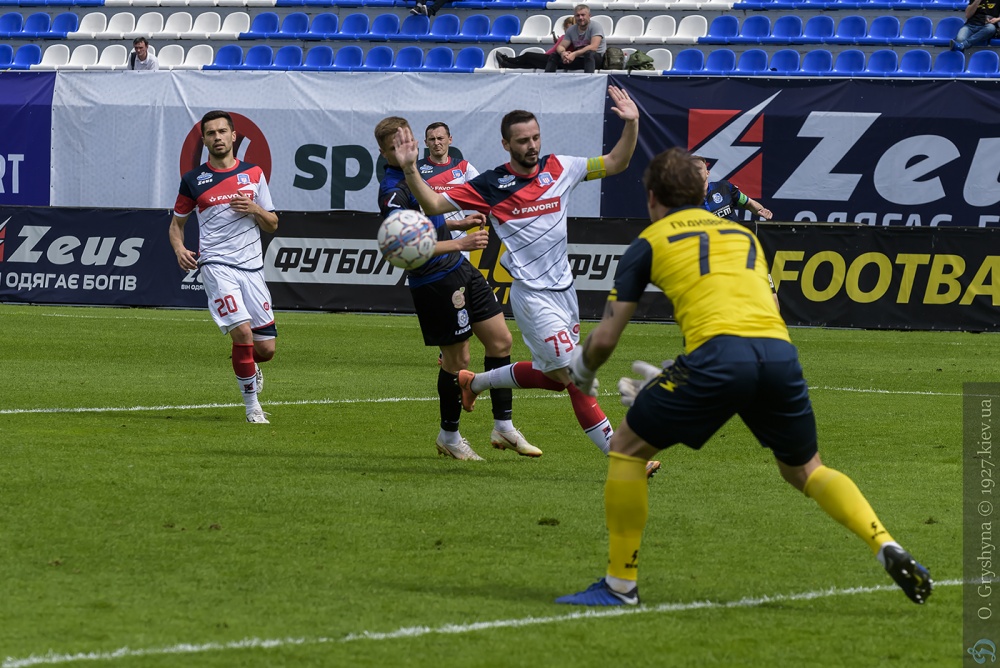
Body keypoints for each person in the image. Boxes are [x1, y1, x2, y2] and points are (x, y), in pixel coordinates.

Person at [554, 147, 933, 607]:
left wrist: (583, 372)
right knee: (806, 469)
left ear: (652, 197)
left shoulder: (648, 242)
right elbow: (764, 307)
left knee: (626, 449)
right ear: (702, 193)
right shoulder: (741, 236)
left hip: (717, 358)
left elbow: (605, 338)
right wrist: (686, 372)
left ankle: (620, 586)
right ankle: (884, 542)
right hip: (778, 355)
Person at [390, 86, 660, 478]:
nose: (532, 146)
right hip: (532, 297)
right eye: (522, 141)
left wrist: (632, 123)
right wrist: (410, 168)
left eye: (535, 137)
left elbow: (617, 162)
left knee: (555, 379)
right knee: (576, 377)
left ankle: (474, 382)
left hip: (565, 293)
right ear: (506, 144)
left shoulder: (561, 167)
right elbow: (432, 204)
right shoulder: (490, 184)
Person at [375, 116, 541, 461]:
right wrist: (459, 243)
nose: (404, 150)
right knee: (457, 360)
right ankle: (449, 436)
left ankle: (504, 426)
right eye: (394, 147)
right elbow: (401, 246)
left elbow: (426, 222)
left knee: (501, 340)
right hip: (434, 281)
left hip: (459, 269)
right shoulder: (392, 190)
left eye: (407, 142)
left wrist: (456, 223)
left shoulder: (415, 175)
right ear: (383, 152)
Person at [168, 110, 277, 424]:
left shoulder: (254, 174)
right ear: (204, 140)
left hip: (252, 269)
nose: (217, 137)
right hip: (216, 265)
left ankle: (247, 364)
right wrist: (179, 248)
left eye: (222, 132)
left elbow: (272, 223)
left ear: (233, 136)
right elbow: (176, 225)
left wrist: (254, 208)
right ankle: (252, 407)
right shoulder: (193, 180)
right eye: (211, 133)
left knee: (266, 349)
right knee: (242, 332)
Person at [695, 155, 779, 308]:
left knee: (771, 300)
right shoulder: (684, 203)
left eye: (699, 169)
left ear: (707, 172)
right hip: (717, 260)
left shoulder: (724, 188)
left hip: (745, 252)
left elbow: (748, 203)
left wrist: (760, 210)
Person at [421, 122, 479, 258]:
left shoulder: (464, 167)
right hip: (429, 242)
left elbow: (484, 194)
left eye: (440, 138)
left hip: (459, 242)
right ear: (426, 143)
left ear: (450, 139)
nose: (436, 143)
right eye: (432, 139)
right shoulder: (416, 170)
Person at [545, 5, 606, 73]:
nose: (580, 18)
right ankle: (548, 77)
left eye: (583, 15)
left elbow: (593, 47)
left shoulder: (595, 26)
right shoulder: (571, 29)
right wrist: (563, 53)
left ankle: (588, 78)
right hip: (580, 58)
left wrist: (574, 54)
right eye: (577, 15)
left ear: (589, 16)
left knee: (589, 54)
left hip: (596, 59)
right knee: (554, 55)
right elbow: (561, 46)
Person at [497, 17, 575, 70]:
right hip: (548, 57)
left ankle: (507, 59)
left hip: (552, 60)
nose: (569, 31)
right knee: (531, 64)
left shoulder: (572, 38)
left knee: (528, 55)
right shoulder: (564, 37)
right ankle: (506, 64)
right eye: (567, 29)